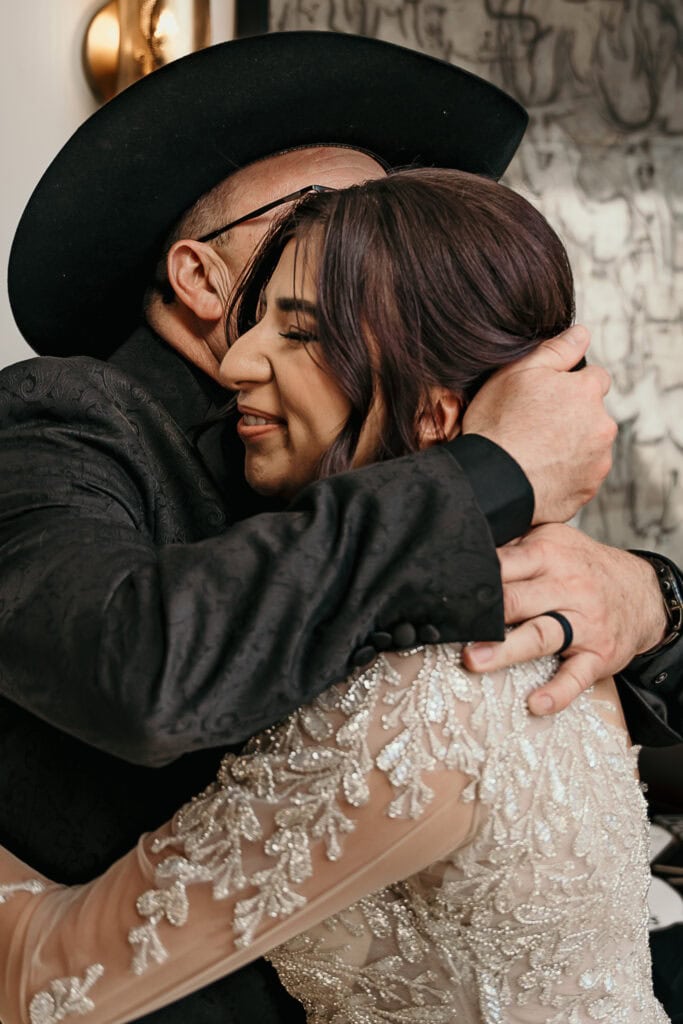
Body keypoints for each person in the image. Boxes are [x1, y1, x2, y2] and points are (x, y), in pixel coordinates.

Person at [1, 30, 680, 1024]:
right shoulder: (64, 417)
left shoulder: (389, 490)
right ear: (199, 278)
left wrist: (646, 595)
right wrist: (480, 474)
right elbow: (142, 660)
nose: (371, 239)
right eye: (328, 218)